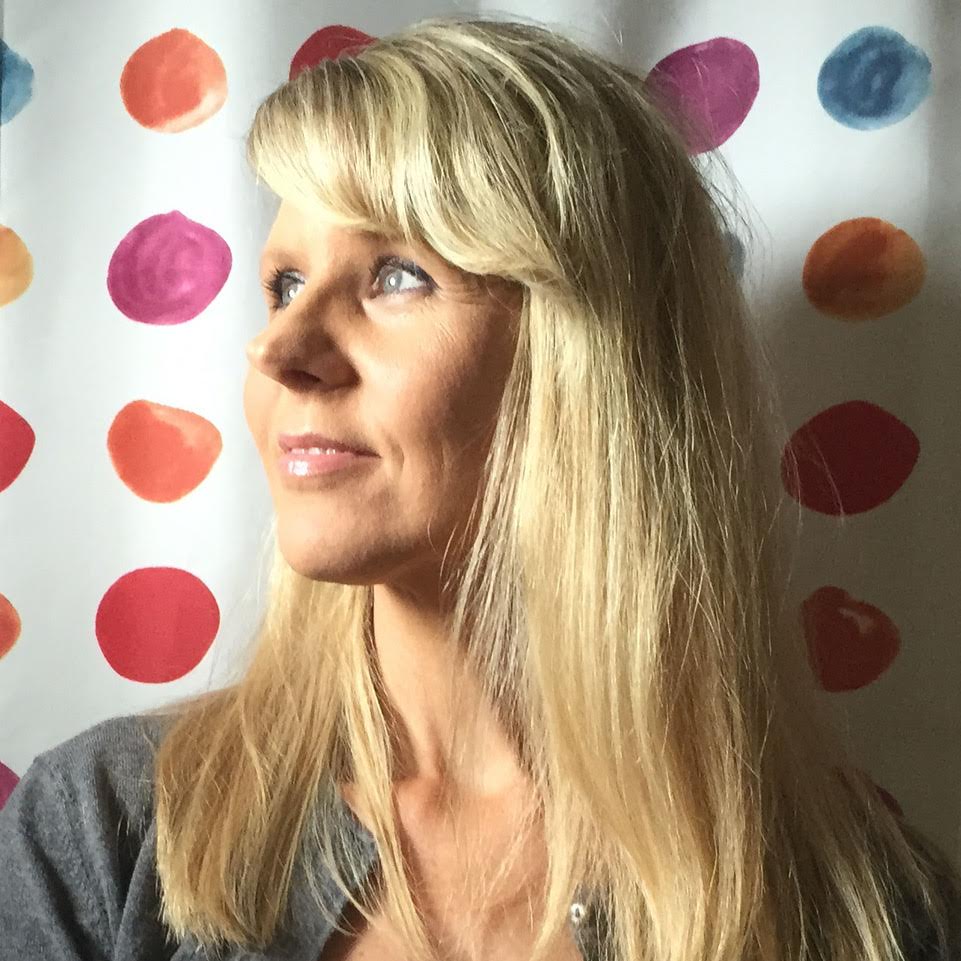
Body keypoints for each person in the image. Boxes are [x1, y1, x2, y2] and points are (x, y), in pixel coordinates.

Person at [1, 13, 959, 961]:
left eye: (396, 275)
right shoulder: (102, 831)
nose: (278, 348)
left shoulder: (863, 909)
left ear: (590, 360)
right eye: (284, 283)